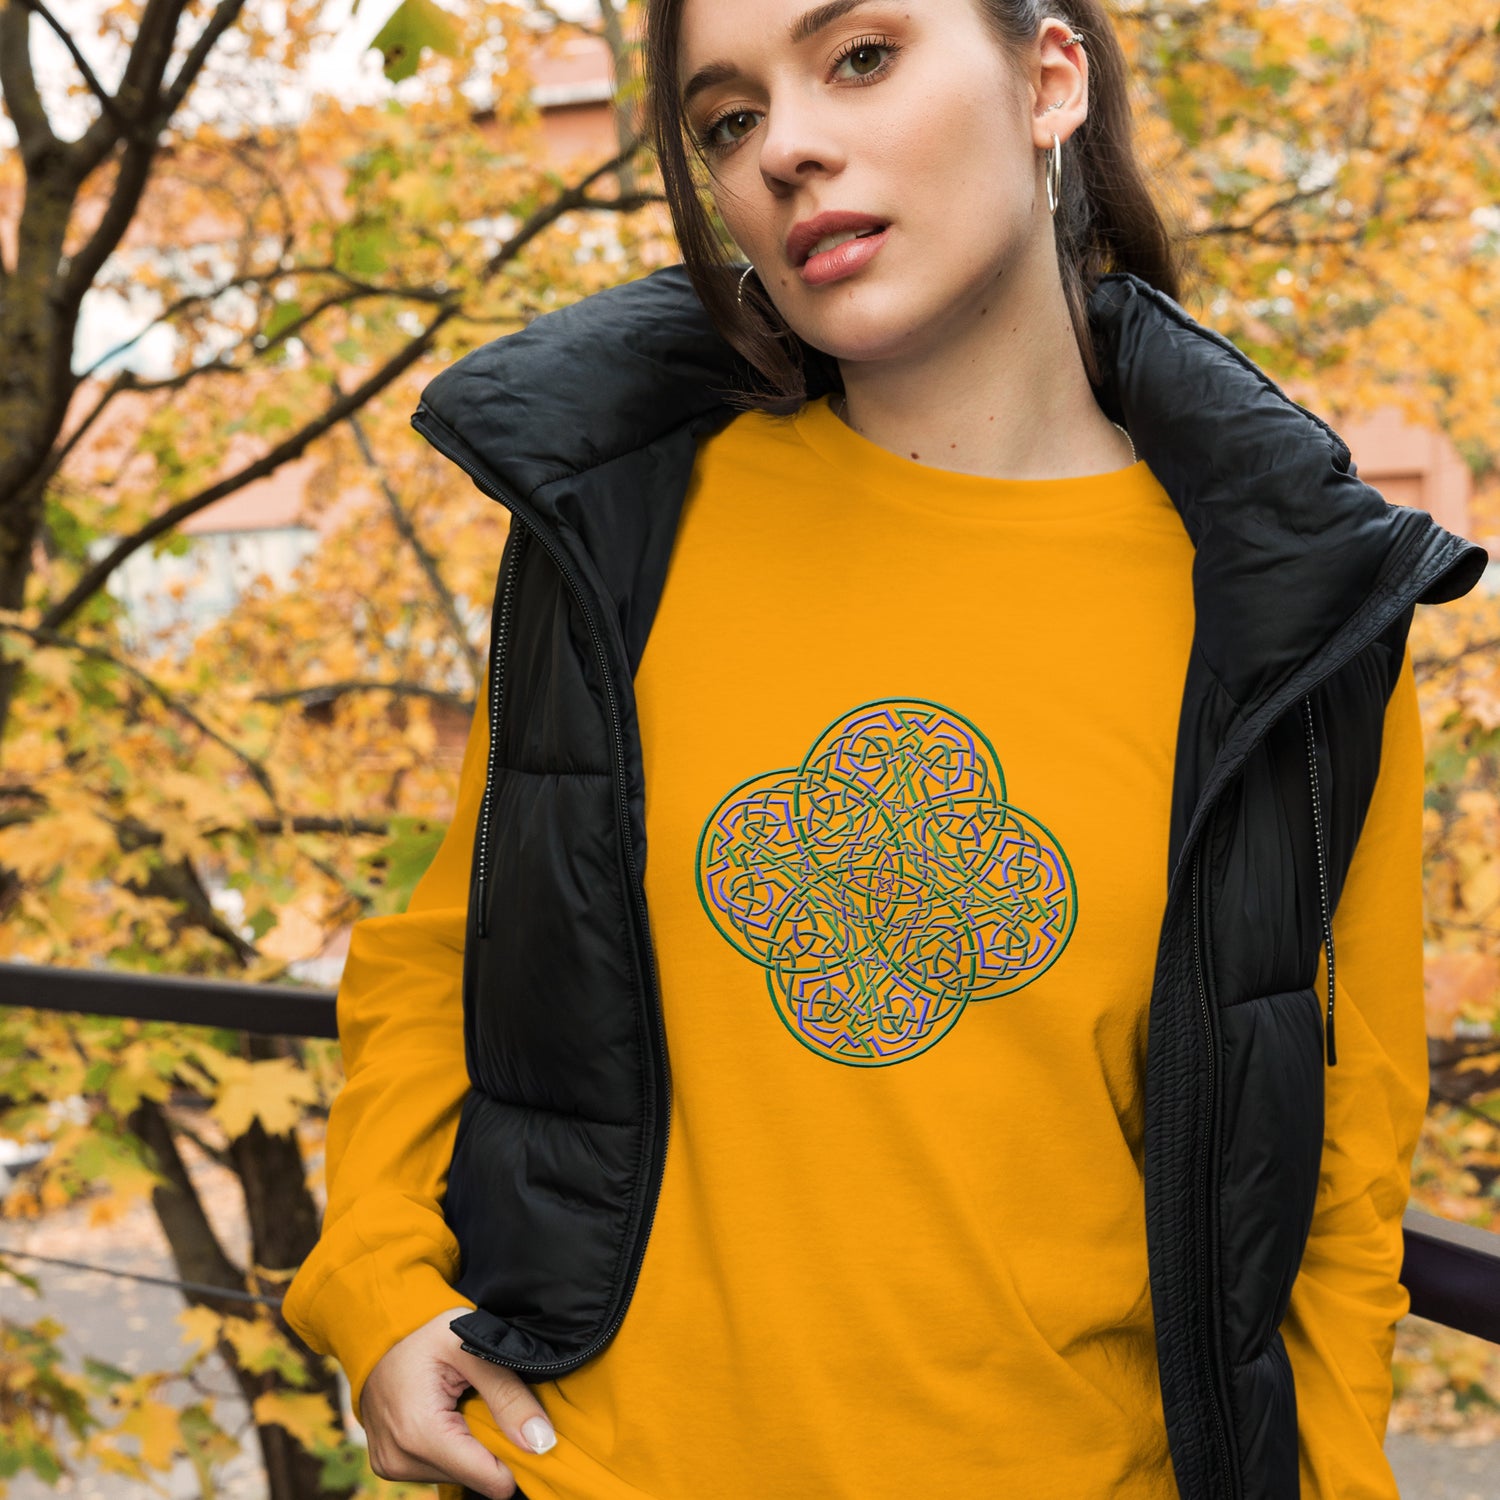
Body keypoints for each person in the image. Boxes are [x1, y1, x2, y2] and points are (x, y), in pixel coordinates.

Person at [283, 1, 1487, 1497]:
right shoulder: (620, 527)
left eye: (860, 57)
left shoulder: (1297, 625)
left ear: (1051, 79)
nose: (785, 146)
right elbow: (448, 961)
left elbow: (1338, 1190)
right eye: (726, 120)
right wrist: (378, 1290)